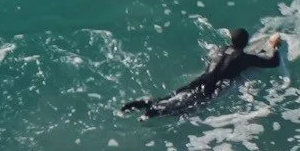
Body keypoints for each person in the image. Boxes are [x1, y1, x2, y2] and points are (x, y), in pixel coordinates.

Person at [121, 28, 286, 118]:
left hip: (201, 80)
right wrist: (275, 46)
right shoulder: (244, 57)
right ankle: (151, 112)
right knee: (184, 108)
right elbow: (273, 62)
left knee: (175, 96)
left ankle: (147, 104)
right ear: (245, 43)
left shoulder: (220, 50)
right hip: (212, 87)